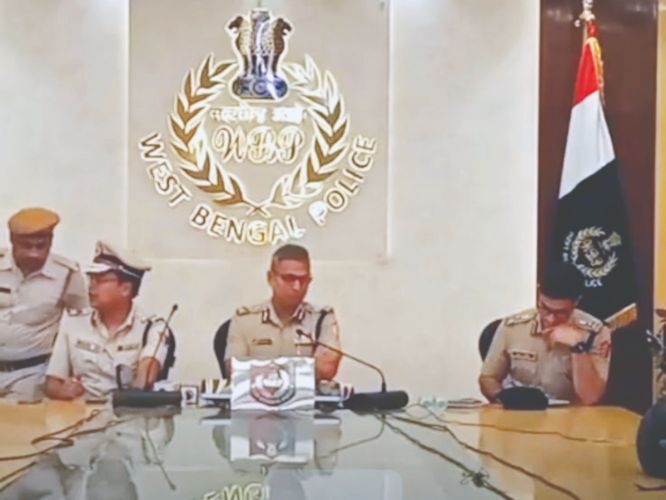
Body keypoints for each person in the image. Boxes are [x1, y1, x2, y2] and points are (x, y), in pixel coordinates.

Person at [45, 241, 169, 401]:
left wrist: (139, 382)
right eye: (91, 278)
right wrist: (63, 391)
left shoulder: (151, 326)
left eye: (100, 280)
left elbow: (147, 375)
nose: (91, 287)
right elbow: (52, 383)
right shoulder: (73, 322)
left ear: (126, 289)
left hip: (126, 411)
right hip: (81, 411)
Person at [479, 262, 612, 405]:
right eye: (545, 308)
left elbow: (590, 397)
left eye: (560, 313)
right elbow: (488, 378)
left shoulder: (595, 333)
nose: (550, 319)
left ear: (576, 302)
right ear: (538, 294)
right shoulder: (512, 327)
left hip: (570, 416)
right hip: (520, 413)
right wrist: (503, 397)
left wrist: (578, 347)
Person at [0, 207, 88, 401]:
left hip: (30, 374)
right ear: (12, 240)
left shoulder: (66, 274)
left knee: (20, 420)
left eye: (41, 246)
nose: (34, 254)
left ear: (51, 241)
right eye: (26, 246)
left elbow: (84, 324)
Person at [223, 244, 341, 380]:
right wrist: (302, 369)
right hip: (255, 394)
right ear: (270, 278)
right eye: (289, 278)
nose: (297, 287)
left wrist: (262, 370)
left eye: (303, 280)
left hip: (307, 394)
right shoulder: (245, 319)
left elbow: (326, 368)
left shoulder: (322, 318)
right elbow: (234, 369)